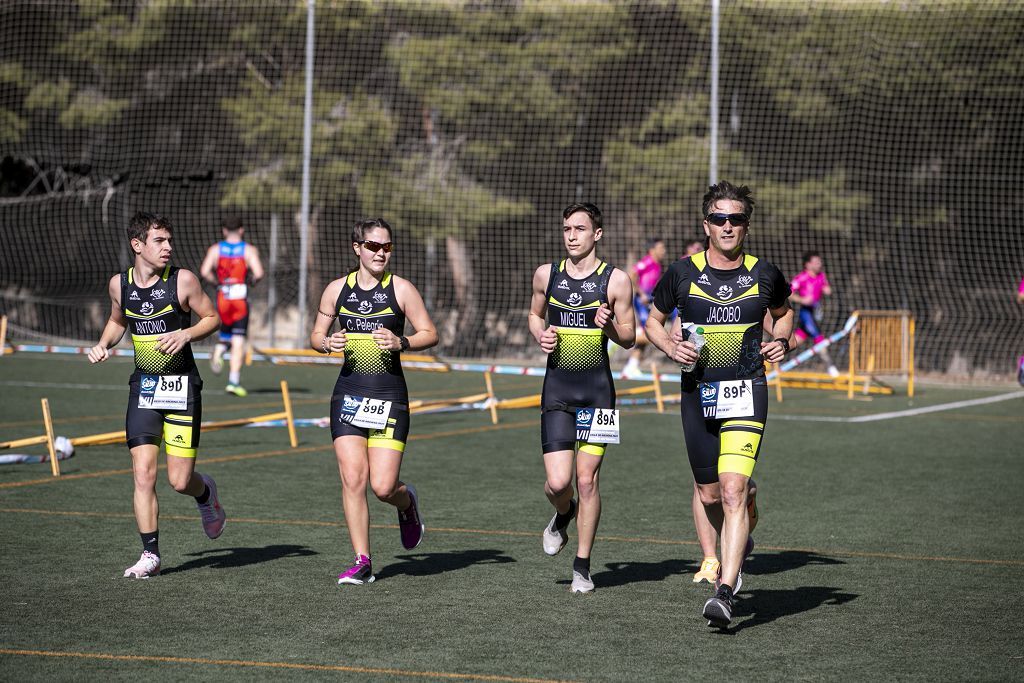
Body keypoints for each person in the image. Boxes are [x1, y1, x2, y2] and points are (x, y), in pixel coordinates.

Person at [646, 182, 793, 627]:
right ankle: (746, 505)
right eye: (719, 218)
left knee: (730, 491)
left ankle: (725, 591)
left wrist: (781, 339)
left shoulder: (765, 274)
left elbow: (785, 313)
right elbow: (654, 322)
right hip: (697, 394)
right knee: (711, 493)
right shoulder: (680, 273)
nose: (728, 226)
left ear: (747, 225)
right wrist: (671, 349)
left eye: (737, 219)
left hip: (748, 391)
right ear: (705, 224)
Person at [87, 212, 224, 579]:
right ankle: (150, 554)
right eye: (159, 241)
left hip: (182, 390)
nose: (168, 247)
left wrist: (186, 335)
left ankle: (205, 494)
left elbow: (212, 318)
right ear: (138, 245)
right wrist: (103, 344)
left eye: (169, 240)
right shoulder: (120, 284)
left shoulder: (183, 281)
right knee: (143, 474)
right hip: (144, 389)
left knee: (180, 480)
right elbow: (118, 320)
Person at [310, 218, 438, 586]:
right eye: (373, 246)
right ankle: (362, 561)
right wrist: (325, 343)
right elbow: (316, 335)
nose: (380, 253)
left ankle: (406, 503)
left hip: (389, 395)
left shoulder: (402, 289)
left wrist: (404, 343)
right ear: (357, 248)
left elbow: (431, 333)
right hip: (348, 394)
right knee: (353, 478)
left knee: (383, 487)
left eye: (386, 247)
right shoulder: (336, 290)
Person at [528, 202, 636, 593]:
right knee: (559, 483)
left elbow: (631, 336)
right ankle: (562, 515)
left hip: (597, 394)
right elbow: (535, 314)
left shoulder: (616, 280)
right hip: (557, 390)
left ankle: (582, 566)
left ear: (597, 234)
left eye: (579, 229)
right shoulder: (547, 274)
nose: (571, 236)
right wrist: (540, 334)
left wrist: (609, 329)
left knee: (587, 480)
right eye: (566, 229)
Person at [200, 215, 264, 397]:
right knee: (238, 340)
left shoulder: (215, 249)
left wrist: (216, 283)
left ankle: (219, 349)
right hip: (239, 298)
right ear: (242, 230)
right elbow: (259, 272)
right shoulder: (248, 250)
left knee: (226, 333)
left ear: (224, 230)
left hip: (223, 297)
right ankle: (233, 382)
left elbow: (205, 271)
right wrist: (250, 281)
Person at [621, 237, 667, 379]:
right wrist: (641, 294)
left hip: (649, 302)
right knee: (649, 333)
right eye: (660, 248)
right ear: (652, 250)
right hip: (641, 302)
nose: (663, 251)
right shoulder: (647, 262)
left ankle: (632, 366)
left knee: (647, 333)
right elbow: (632, 274)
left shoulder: (658, 265)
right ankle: (616, 340)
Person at [790, 251, 839, 377]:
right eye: (816, 262)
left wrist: (826, 289)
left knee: (796, 340)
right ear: (807, 264)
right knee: (819, 338)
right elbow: (789, 293)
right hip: (806, 313)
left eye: (820, 261)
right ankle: (830, 367)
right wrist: (802, 300)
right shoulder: (801, 278)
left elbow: (826, 289)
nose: (819, 264)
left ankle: (772, 358)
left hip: (815, 312)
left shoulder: (821, 276)